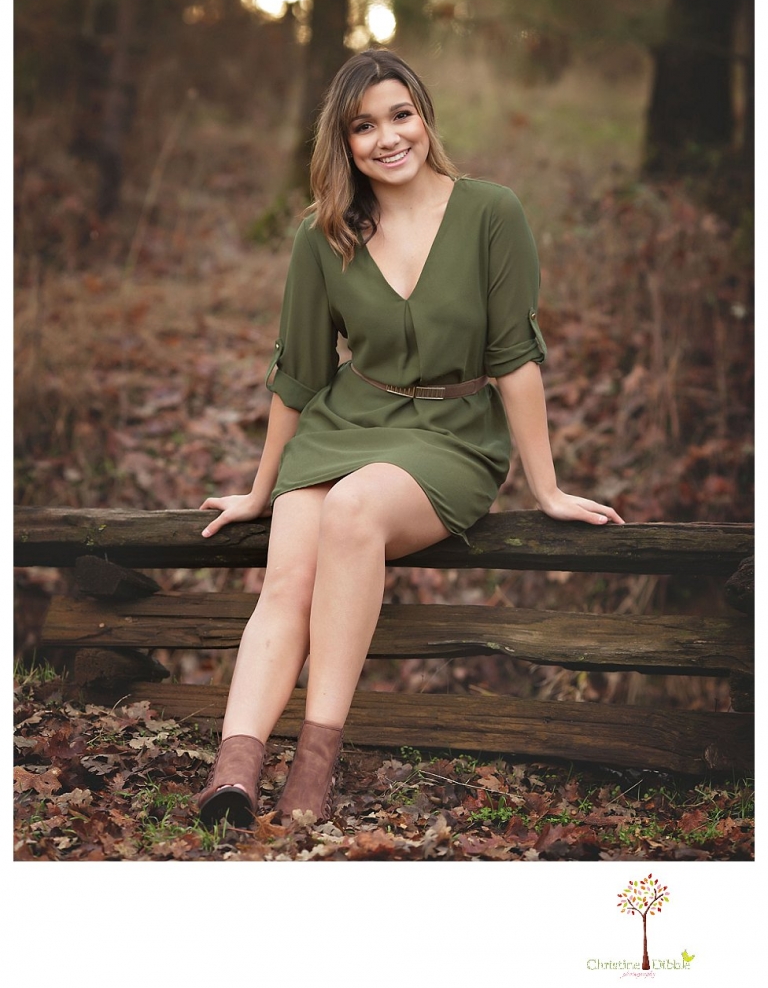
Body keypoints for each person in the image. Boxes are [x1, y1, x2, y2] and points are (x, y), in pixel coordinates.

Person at [196, 47, 624, 828]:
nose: (388, 138)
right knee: (288, 574)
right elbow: (297, 372)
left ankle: (313, 770)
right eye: (365, 126)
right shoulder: (321, 235)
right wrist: (262, 490)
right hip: (344, 421)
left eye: (401, 115)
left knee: (353, 511)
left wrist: (547, 485)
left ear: (425, 117)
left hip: (451, 432)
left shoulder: (492, 213)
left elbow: (515, 360)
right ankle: (235, 772)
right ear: (344, 142)